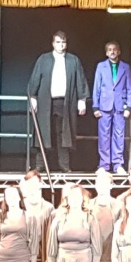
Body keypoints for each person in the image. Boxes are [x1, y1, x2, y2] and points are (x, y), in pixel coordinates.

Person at [24, 31, 88, 172]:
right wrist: (33, 98)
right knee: (43, 132)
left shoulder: (73, 60)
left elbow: (80, 80)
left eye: (63, 42)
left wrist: (82, 99)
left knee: (64, 134)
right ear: (53, 44)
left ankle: (64, 165)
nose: (61, 45)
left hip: (65, 103)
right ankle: (40, 165)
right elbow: (35, 80)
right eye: (58, 42)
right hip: (46, 102)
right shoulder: (44, 59)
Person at [47, 185, 100, 262]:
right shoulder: (59, 218)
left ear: (82, 199)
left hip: (83, 258)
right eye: (72, 196)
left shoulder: (90, 218)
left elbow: (96, 246)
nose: (75, 199)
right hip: (63, 259)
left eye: (78, 196)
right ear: (67, 199)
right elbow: (51, 246)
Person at [91, 40, 131, 172]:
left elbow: (129, 88)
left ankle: (118, 164)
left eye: (115, 49)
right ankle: (104, 164)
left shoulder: (125, 67)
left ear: (119, 52)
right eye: (109, 50)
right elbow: (96, 87)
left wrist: (129, 107)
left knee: (119, 135)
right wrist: (95, 107)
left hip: (120, 106)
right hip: (104, 106)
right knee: (103, 136)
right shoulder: (101, 66)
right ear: (106, 53)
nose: (112, 52)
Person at [90, 169, 118, 262]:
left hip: (110, 259)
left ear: (111, 185)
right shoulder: (89, 205)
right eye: (99, 183)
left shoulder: (118, 206)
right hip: (92, 261)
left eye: (105, 183)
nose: (101, 187)